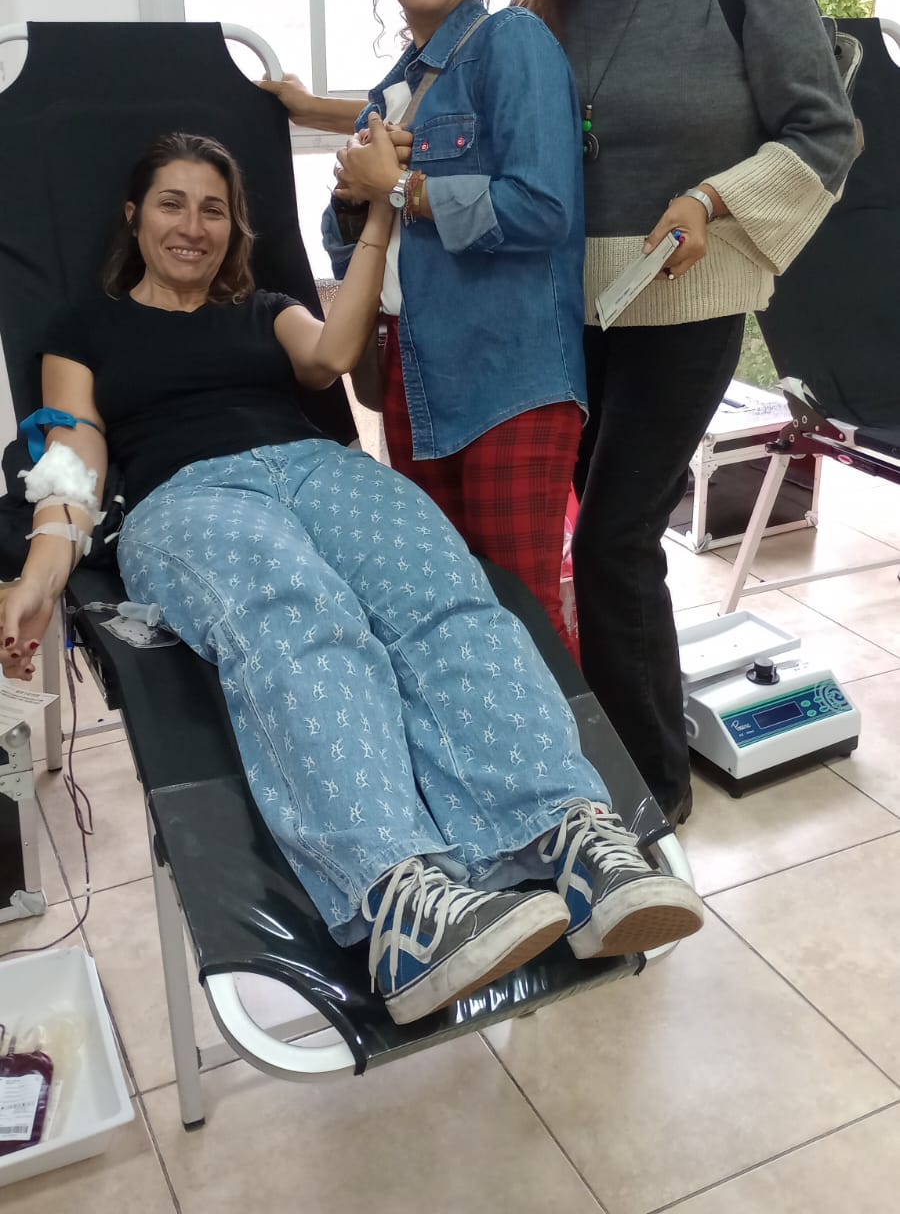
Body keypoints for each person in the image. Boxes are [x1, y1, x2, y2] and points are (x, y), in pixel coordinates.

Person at [0, 131, 703, 1027]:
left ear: (235, 228)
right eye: (172, 204)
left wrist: (379, 210)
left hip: (321, 469)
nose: (193, 226)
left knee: (448, 603)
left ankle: (567, 834)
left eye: (214, 209)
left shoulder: (266, 310)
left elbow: (332, 356)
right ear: (134, 216)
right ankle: (400, 901)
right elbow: (72, 461)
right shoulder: (83, 330)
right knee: (301, 620)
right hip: (188, 494)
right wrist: (40, 575)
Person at [512, 0, 859, 824]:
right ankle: (620, 746)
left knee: (614, 540)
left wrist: (713, 197)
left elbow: (825, 132)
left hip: (686, 298)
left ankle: (650, 792)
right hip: (566, 309)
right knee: (596, 542)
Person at [263, 0, 586, 657]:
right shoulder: (393, 90)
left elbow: (544, 209)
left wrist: (402, 189)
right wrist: (352, 202)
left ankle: (577, 752)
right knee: (444, 609)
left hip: (511, 381)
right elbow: (364, 252)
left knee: (525, 615)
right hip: (417, 382)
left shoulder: (514, 43)